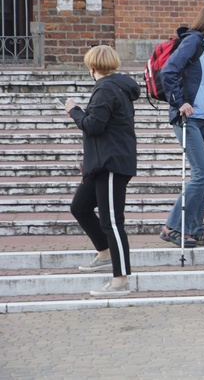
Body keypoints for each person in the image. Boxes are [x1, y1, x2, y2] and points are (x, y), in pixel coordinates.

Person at [65, 45, 140, 298]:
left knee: (113, 222)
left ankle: (120, 280)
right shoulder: (113, 87)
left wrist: (73, 110)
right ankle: (104, 253)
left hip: (111, 164)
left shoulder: (107, 88)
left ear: (92, 67)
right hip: (102, 162)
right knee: (80, 207)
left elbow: (93, 126)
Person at [159, 4, 204, 248]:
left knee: (203, 176)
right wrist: (180, 103)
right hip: (188, 119)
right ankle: (172, 227)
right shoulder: (193, 42)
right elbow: (169, 72)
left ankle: (196, 229)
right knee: (202, 174)